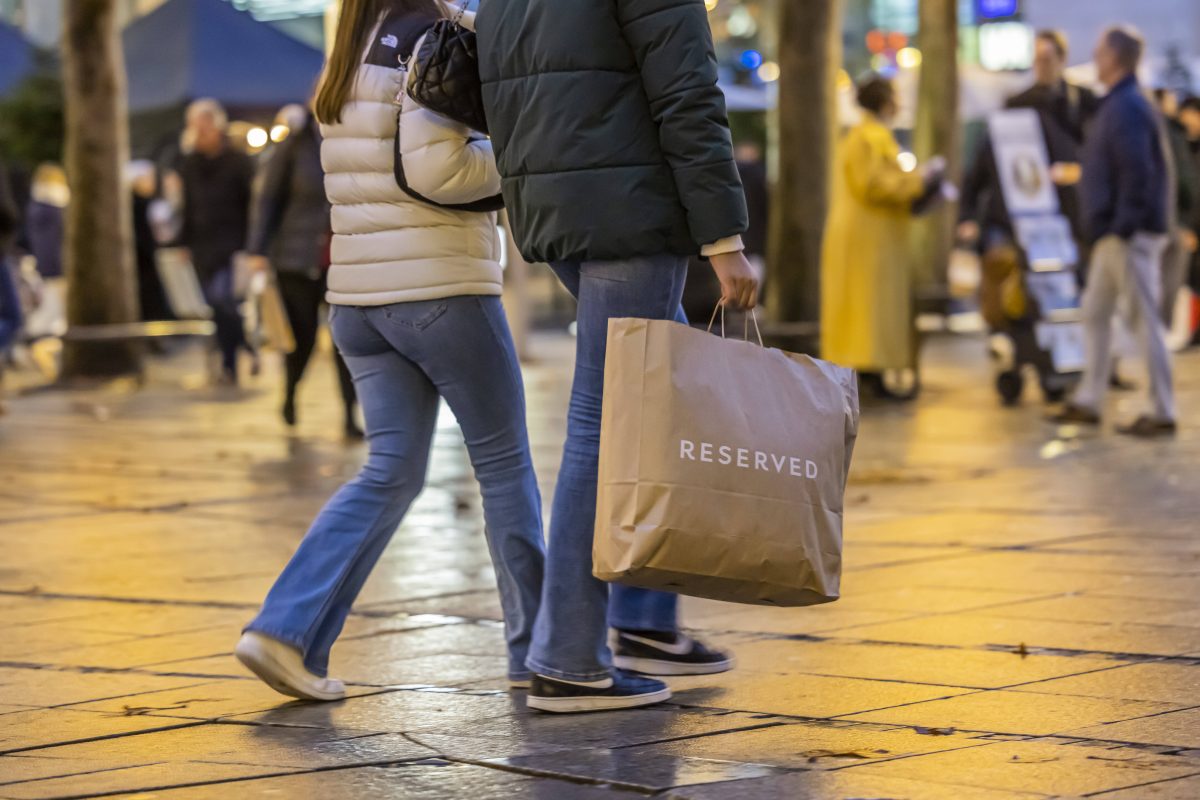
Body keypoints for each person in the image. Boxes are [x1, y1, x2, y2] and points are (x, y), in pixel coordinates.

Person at [236, 0, 545, 702]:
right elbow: (441, 172)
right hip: (440, 290)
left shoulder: (348, 52)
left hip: (358, 301)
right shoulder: (427, 38)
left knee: (389, 473)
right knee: (504, 469)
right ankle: (540, 650)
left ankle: (283, 630)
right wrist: (526, 154)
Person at [478, 0, 758, 713]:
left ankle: (642, 618)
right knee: (604, 426)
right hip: (632, 213)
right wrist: (724, 240)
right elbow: (688, 95)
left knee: (653, 412)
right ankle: (569, 655)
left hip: (559, 211)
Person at [1051, 27, 1174, 437]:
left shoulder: (1126, 108)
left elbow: (1137, 172)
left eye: (1100, 51)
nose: (1094, 57)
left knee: (1143, 321)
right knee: (1096, 313)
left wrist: (1122, 226)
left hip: (1127, 233)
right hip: (1115, 231)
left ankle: (1162, 409)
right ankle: (1089, 398)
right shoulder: (1122, 105)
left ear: (1115, 59)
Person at [821, 75, 942, 400]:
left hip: (872, 238)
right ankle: (869, 373)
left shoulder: (866, 136)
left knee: (868, 306)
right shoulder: (868, 137)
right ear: (886, 102)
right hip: (868, 240)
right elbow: (873, 184)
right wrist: (918, 182)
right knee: (869, 307)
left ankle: (872, 373)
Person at [245, 107, 360, 438]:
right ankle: (290, 393)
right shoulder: (294, 145)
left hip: (343, 261)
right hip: (296, 259)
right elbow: (268, 198)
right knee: (303, 338)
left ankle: (349, 416)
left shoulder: (353, 139)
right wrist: (258, 249)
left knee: (346, 340)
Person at [177, 99, 255, 385]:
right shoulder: (190, 163)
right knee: (215, 304)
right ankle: (236, 350)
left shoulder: (238, 161)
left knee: (224, 299)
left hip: (233, 245)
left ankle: (232, 358)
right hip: (202, 246)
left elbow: (251, 204)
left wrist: (253, 245)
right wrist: (183, 242)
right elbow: (188, 206)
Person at [1153, 89, 1200, 326]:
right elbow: (1185, 184)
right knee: (1170, 282)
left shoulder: (1172, 134)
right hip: (1175, 222)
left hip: (1174, 222)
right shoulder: (1171, 134)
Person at [23, 163, 68, 339]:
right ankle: (37, 341)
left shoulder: (37, 205)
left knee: (50, 306)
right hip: (55, 264)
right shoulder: (52, 207)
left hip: (47, 263)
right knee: (53, 308)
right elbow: (51, 242)